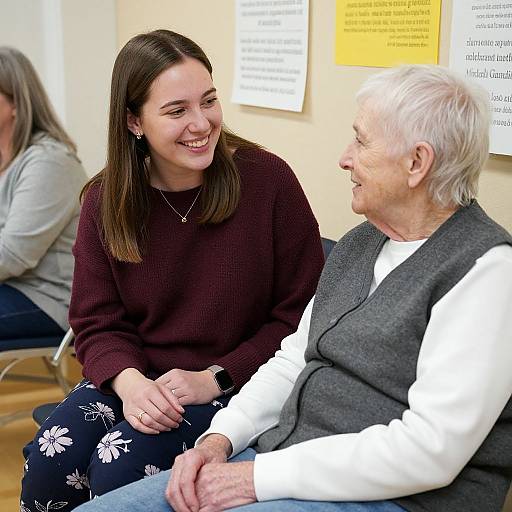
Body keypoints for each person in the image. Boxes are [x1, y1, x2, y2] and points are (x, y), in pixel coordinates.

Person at [75, 64, 512, 512]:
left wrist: (255, 477)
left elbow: (428, 452)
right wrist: (218, 439)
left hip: (399, 498)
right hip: (286, 458)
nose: (345, 158)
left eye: (361, 141)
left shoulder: (487, 271)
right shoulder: (362, 242)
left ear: (417, 163)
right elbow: (291, 360)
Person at [20, 30, 323, 511]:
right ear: (134, 122)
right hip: (137, 379)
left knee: (119, 465)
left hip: (237, 385)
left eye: (209, 101)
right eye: (177, 111)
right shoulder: (105, 200)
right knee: (49, 462)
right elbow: (96, 321)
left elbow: (304, 318)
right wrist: (129, 382)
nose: (201, 123)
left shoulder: (268, 182)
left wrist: (216, 377)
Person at [0, 47, 86, 340]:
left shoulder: (50, 161)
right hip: (11, 287)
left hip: (48, 298)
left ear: (15, 103)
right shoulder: (5, 159)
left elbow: (11, 256)